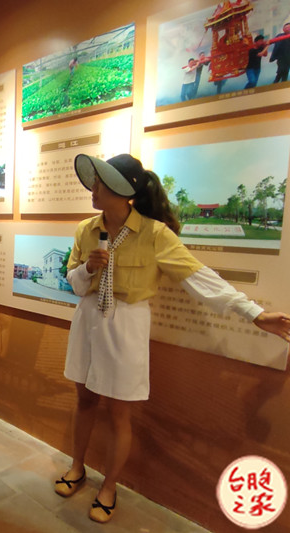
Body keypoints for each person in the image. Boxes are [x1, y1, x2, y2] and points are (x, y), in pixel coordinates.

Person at [54, 153, 290, 524]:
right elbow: (74, 282)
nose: (93, 189)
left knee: (119, 413)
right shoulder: (86, 229)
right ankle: (77, 466)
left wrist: (255, 314)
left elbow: (199, 278)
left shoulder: (155, 234)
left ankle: (109, 487)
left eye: (101, 182)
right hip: (87, 320)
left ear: (124, 191)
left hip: (127, 325)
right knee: (84, 399)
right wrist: (87, 267)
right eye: (95, 181)